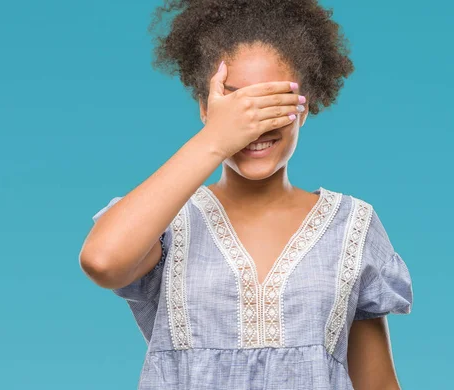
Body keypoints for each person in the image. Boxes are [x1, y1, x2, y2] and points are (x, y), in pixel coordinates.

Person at [79, 0, 413, 388]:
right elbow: (102, 261)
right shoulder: (168, 221)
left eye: (274, 102)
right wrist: (215, 140)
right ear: (205, 109)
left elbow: (379, 385)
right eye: (237, 104)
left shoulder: (352, 225)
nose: (254, 125)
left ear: (305, 108)